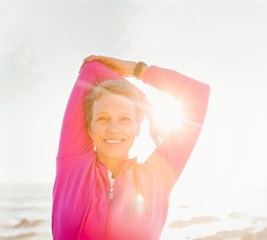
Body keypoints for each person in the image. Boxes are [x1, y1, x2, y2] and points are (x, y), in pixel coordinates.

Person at [52, 55, 210, 239]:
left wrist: (138, 70)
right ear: (89, 126)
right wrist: (145, 103)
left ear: (137, 127)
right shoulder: (73, 167)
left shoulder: (157, 177)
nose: (113, 129)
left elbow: (199, 94)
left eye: (125, 119)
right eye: (102, 118)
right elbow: (91, 70)